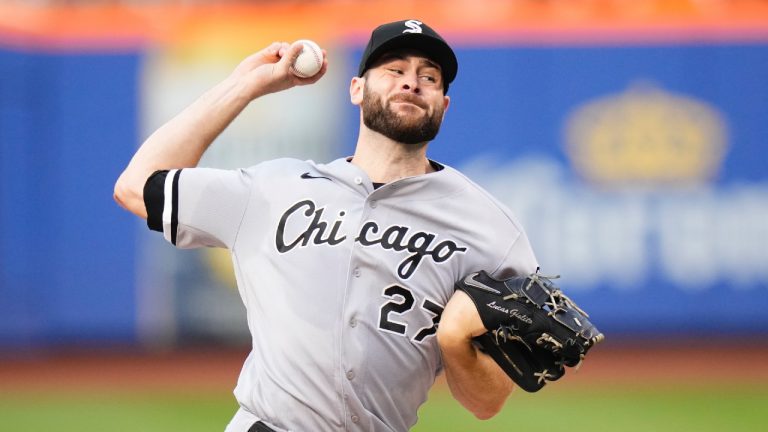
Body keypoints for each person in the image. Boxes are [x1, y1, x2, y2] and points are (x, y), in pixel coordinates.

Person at [114, 19, 538, 432]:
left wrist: (454, 342)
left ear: (443, 106)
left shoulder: (489, 230)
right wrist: (245, 86)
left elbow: (486, 403)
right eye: (394, 70)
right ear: (357, 89)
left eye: (429, 77)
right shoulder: (273, 188)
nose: (411, 82)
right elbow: (135, 186)